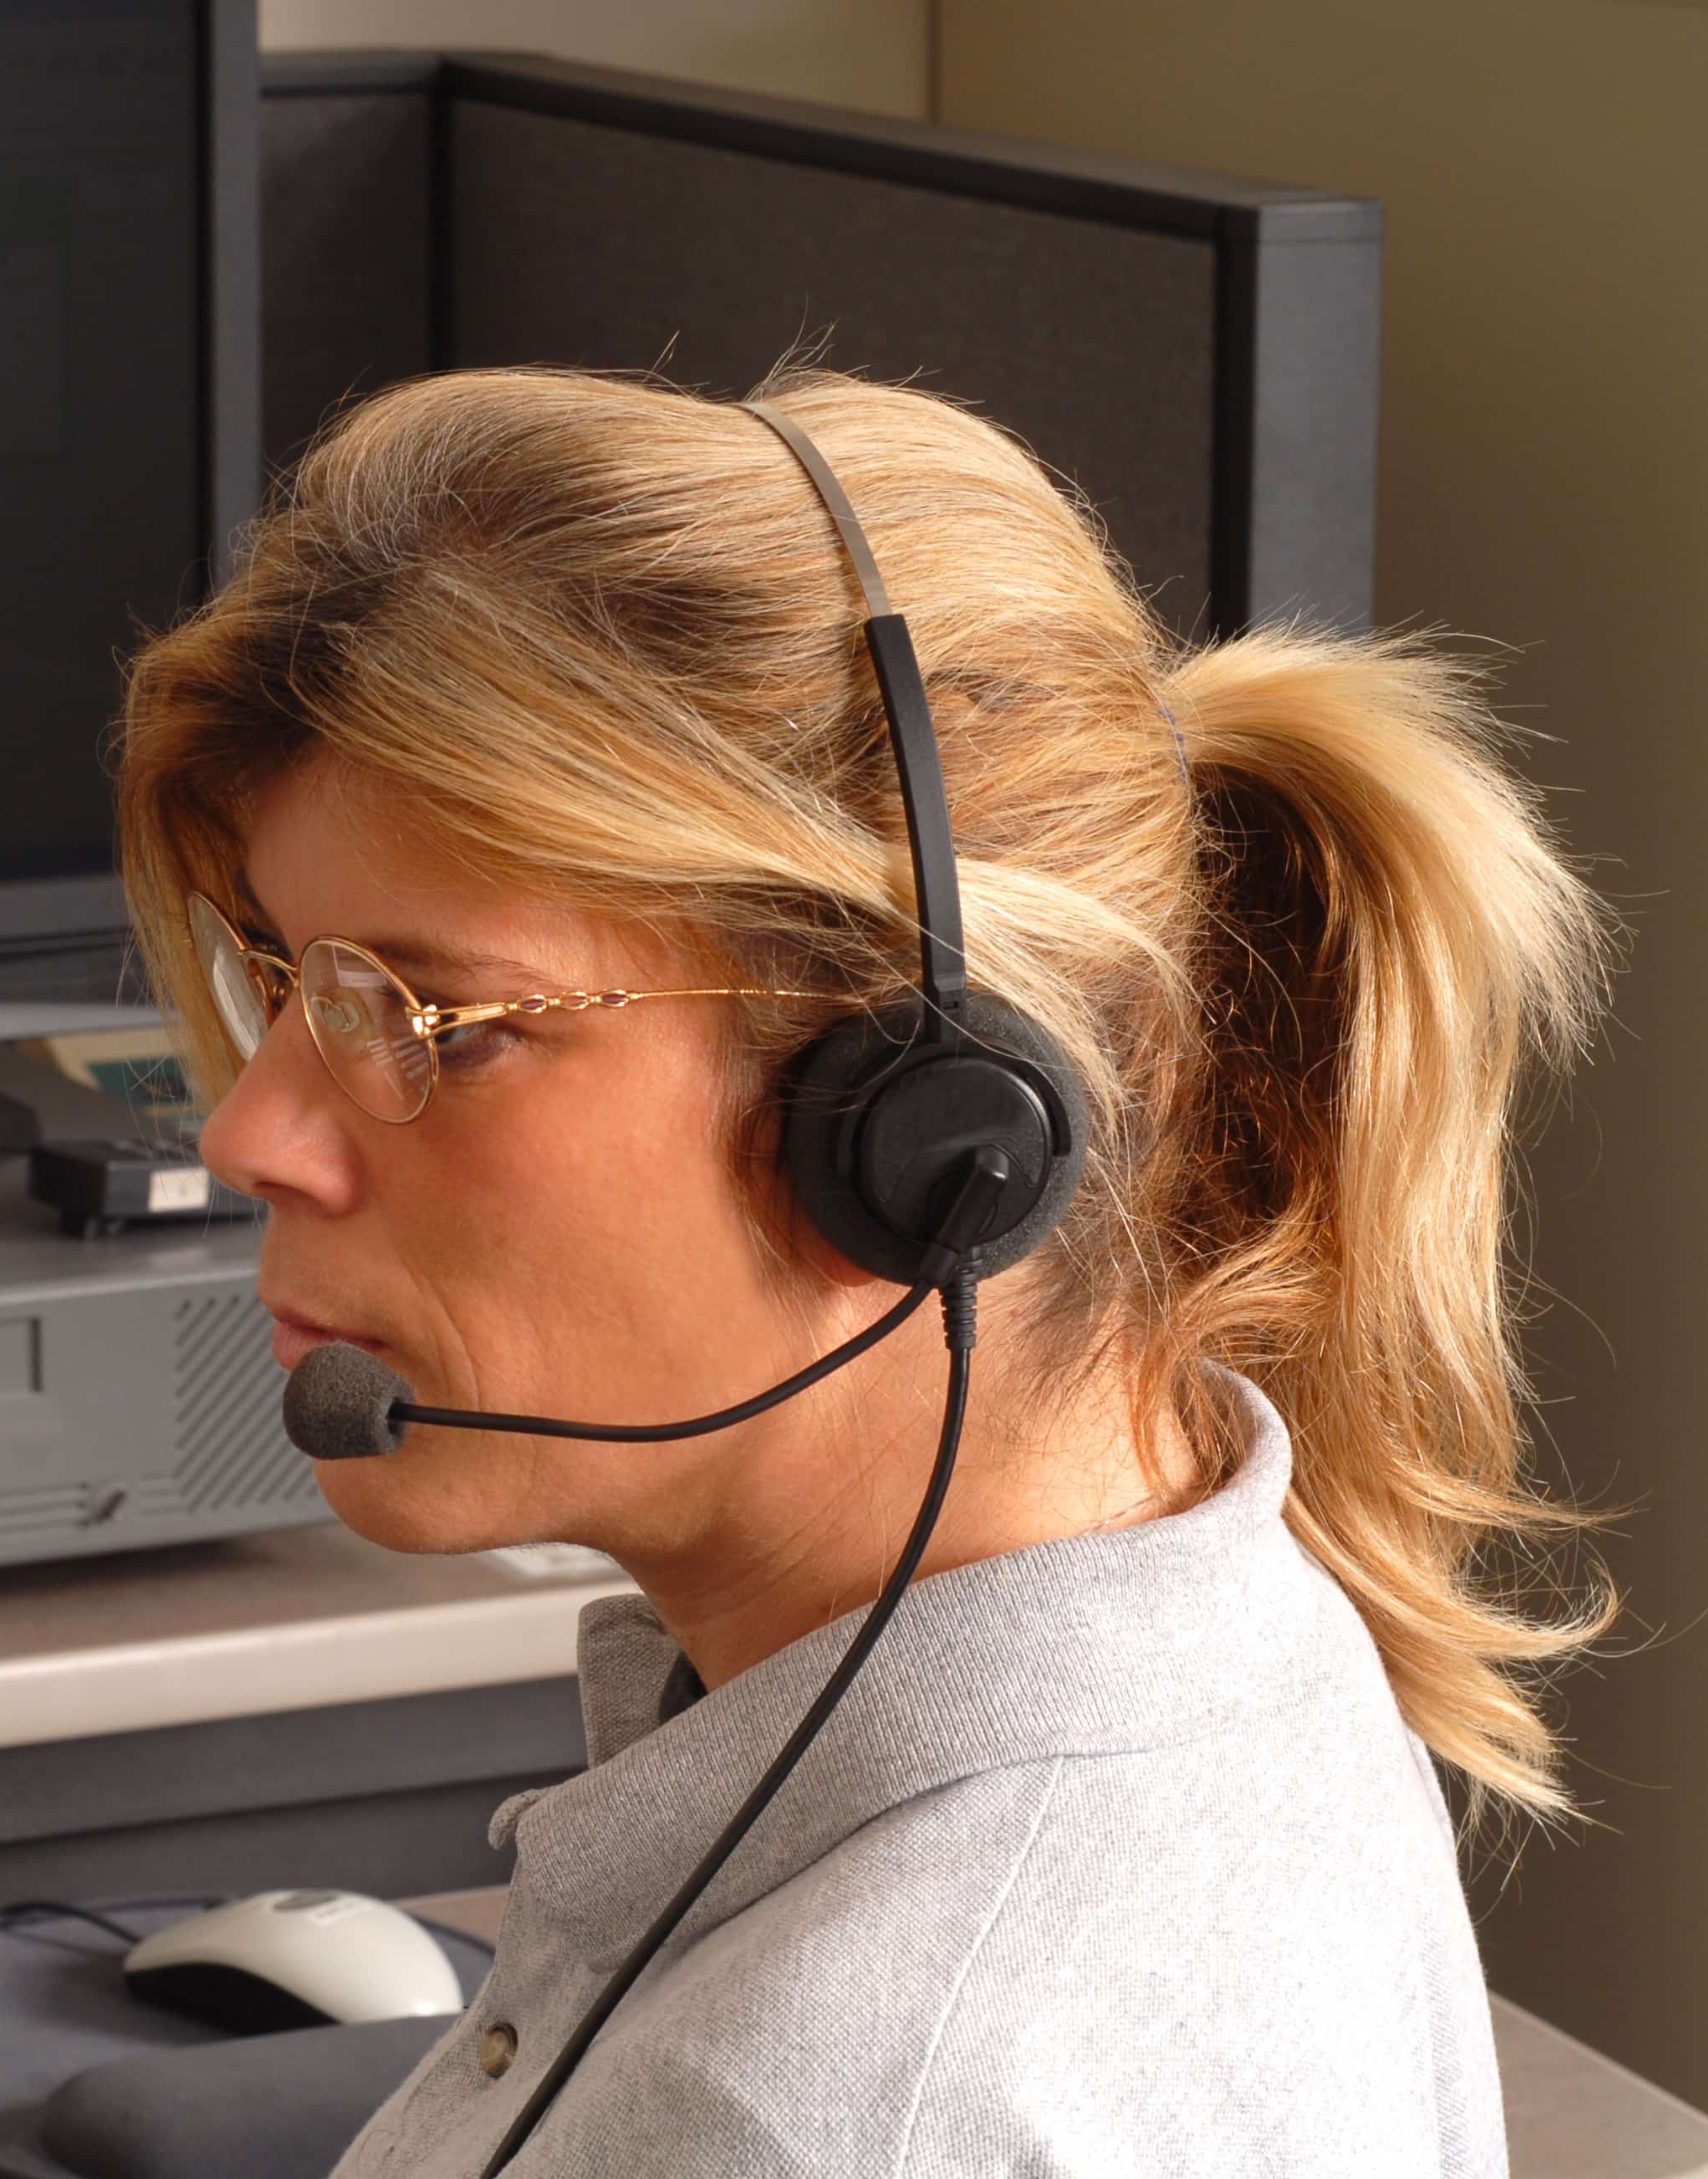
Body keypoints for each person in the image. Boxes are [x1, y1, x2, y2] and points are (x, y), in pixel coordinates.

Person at [110, 367, 1615, 2176]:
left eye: (431, 1018)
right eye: (282, 974)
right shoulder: (1223, 1628)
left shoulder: (834, 2110)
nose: (254, 1132)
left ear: (915, 1129)